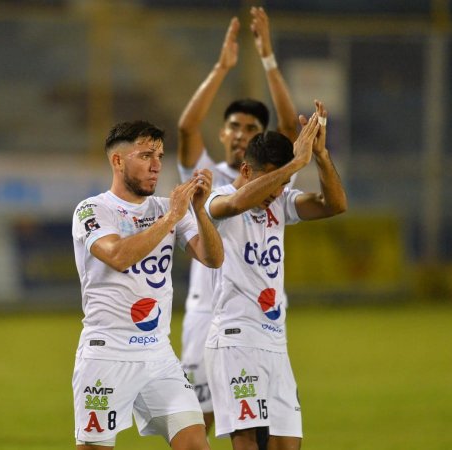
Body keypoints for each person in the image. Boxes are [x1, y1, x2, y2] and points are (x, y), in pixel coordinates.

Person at [176, 6, 299, 431]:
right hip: (205, 311)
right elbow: (187, 128)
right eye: (234, 126)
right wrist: (222, 67)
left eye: (251, 129)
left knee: (256, 423)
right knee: (201, 420)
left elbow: (290, 125)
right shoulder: (206, 176)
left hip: (256, 317)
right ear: (224, 133)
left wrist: (268, 58)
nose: (242, 134)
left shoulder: (272, 182)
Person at [71, 120, 223, 449]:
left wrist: (199, 211)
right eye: (145, 156)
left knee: (196, 444)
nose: (156, 165)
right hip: (107, 354)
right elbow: (117, 256)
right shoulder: (92, 210)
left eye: (160, 156)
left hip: (158, 355)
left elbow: (213, 259)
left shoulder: (169, 208)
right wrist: (171, 218)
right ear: (117, 161)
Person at [204, 102, 346, 450]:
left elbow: (334, 205)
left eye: (282, 183)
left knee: (287, 444)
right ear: (246, 170)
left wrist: (320, 155)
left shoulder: (280, 203)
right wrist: (295, 164)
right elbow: (235, 204)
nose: (276, 192)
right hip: (236, 339)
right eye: (272, 179)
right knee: (249, 442)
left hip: (275, 342)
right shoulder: (218, 200)